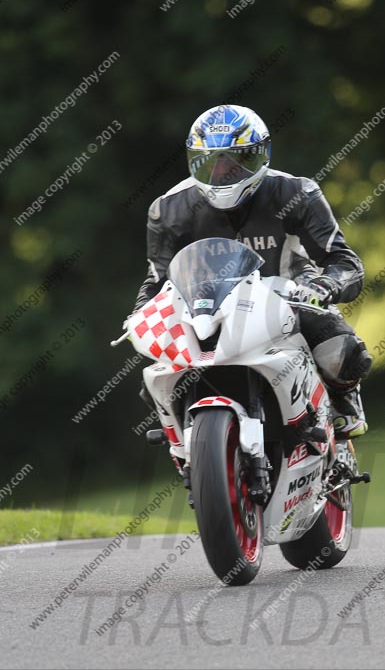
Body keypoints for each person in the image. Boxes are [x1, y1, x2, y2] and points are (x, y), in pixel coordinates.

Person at [133, 104, 372, 437]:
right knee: (156, 374)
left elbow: (344, 262)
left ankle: (344, 396)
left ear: (261, 155)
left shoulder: (296, 192)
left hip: (289, 296)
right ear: (193, 162)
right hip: (206, 309)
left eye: (236, 160)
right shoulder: (169, 209)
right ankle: (183, 441)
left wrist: (324, 286)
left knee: (341, 350)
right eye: (211, 163)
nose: (223, 173)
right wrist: (140, 313)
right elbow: (157, 279)